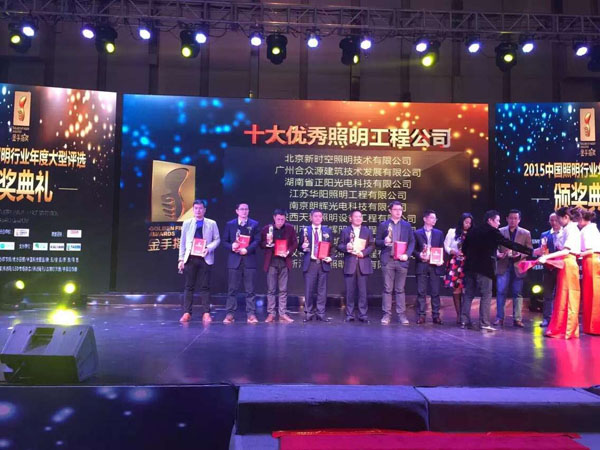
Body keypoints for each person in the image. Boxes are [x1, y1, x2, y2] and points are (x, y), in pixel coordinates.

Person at [461, 210, 533, 332]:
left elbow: (464, 249)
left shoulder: (473, 230)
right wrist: (530, 251)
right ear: (490, 220)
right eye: (497, 221)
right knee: (486, 295)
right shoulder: (493, 232)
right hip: (484, 269)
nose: (499, 223)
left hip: (469, 268)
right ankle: (484, 323)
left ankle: (464, 321)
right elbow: (508, 243)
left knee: (468, 294)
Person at [538, 206, 582, 339]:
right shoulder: (566, 229)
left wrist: (547, 257)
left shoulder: (572, 229)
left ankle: (567, 329)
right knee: (562, 297)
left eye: (558, 219)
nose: (557, 222)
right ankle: (560, 327)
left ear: (566, 217)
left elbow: (566, 250)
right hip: (565, 264)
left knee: (568, 298)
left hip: (568, 263)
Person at [178, 199, 221, 323]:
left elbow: (217, 239)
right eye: (196, 208)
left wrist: (209, 248)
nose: (198, 210)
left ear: (204, 210)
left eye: (200, 208)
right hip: (190, 259)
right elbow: (182, 242)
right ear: (193, 210)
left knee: (205, 287)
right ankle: (187, 313)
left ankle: (206, 313)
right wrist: (181, 259)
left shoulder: (211, 223)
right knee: (188, 286)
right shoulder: (187, 223)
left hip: (205, 258)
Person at [375, 201, 415, 325]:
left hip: (401, 261)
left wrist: (407, 254)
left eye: (400, 209)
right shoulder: (384, 225)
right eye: (396, 209)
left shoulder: (407, 225)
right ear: (390, 211)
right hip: (388, 260)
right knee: (387, 289)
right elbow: (377, 242)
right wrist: (384, 242)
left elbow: (412, 242)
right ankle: (386, 314)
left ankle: (401, 315)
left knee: (400, 289)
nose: (398, 212)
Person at [222, 203, 261, 324]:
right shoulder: (230, 224)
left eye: (246, 209)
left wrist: (247, 250)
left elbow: (257, 241)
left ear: (248, 211)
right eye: (242, 209)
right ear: (237, 211)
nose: (244, 211)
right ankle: (230, 314)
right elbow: (224, 241)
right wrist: (231, 246)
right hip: (234, 261)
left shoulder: (254, 224)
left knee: (250, 290)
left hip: (249, 260)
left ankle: (251, 314)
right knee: (232, 289)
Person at [493, 209, 533, 328]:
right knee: (501, 292)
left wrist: (520, 255)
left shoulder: (525, 233)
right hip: (503, 264)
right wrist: (498, 254)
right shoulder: (499, 231)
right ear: (506, 219)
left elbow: (529, 250)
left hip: (518, 266)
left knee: (517, 293)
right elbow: (494, 247)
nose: (513, 220)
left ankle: (517, 319)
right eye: (511, 218)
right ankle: (499, 318)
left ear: (519, 220)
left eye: (515, 218)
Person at [260, 209, 298, 323]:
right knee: (271, 290)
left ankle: (282, 313)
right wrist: (267, 244)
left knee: (283, 290)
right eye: (278, 219)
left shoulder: (290, 228)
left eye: (282, 219)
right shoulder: (267, 229)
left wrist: (288, 251)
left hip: (284, 262)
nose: (280, 221)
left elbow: (295, 243)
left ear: (285, 219)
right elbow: (261, 244)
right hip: (271, 262)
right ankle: (271, 314)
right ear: (274, 218)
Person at [338, 209, 375, 323]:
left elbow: (372, 246)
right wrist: (346, 247)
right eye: (356, 216)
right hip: (350, 263)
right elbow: (339, 246)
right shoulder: (345, 231)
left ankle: (363, 314)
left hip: (363, 263)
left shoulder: (367, 231)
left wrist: (363, 253)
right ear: (350, 218)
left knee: (363, 292)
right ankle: (350, 314)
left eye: (360, 216)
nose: (359, 218)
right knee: (350, 291)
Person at [299, 209, 334, 322]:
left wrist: (331, 258)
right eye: (315, 216)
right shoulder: (305, 230)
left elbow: (332, 247)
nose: (318, 218)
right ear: (311, 218)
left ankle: (321, 313)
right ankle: (308, 313)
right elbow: (299, 247)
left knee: (322, 290)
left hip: (323, 263)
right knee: (309, 290)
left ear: (322, 218)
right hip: (311, 263)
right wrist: (302, 247)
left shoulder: (327, 230)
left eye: (320, 216)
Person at [413, 209, 445, 324]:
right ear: (425, 219)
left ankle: (436, 315)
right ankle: (421, 315)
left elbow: (441, 248)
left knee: (435, 291)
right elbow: (413, 250)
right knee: (421, 291)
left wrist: (441, 259)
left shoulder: (439, 233)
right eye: (432, 218)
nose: (434, 220)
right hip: (422, 264)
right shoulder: (417, 233)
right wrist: (419, 255)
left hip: (434, 265)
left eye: (435, 218)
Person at [532, 213, 563, 327]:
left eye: (556, 220)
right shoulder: (544, 235)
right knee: (547, 295)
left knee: (561, 295)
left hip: (561, 268)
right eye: (551, 220)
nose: (553, 223)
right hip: (548, 269)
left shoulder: (566, 233)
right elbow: (543, 250)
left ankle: (559, 319)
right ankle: (547, 318)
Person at [444, 213, 474, 324]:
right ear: (461, 221)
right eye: (466, 222)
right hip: (455, 263)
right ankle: (459, 315)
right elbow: (446, 246)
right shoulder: (452, 232)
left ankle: (465, 315)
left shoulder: (473, 233)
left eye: (470, 223)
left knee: (467, 289)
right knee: (457, 288)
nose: (468, 225)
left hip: (468, 263)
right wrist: (452, 251)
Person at [578, 209, 600, 335]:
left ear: (581, 219)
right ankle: (591, 326)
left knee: (592, 293)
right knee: (591, 293)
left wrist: (576, 253)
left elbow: (590, 250)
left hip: (591, 260)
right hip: (592, 260)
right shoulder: (592, 229)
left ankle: (594, 326)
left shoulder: (587, 230)